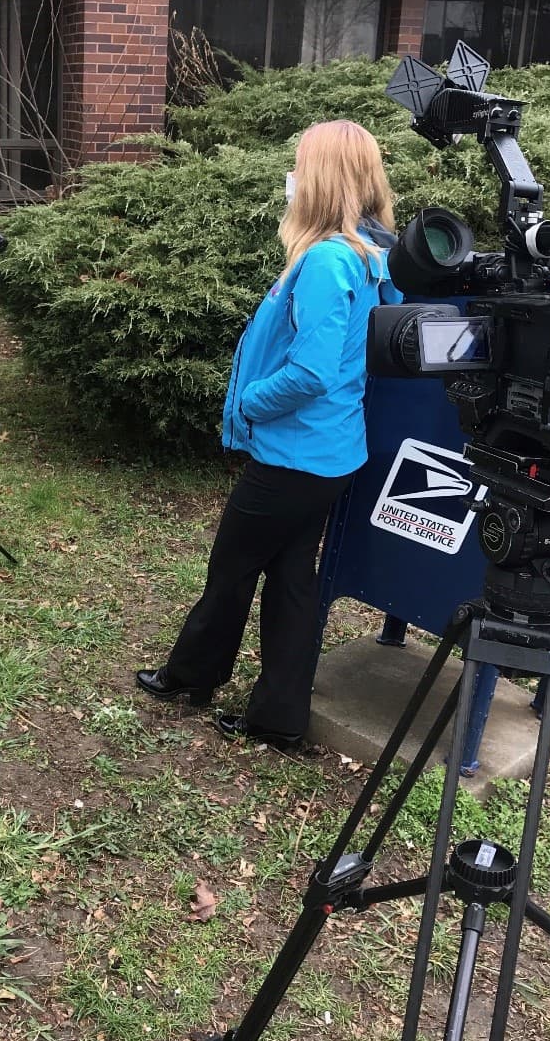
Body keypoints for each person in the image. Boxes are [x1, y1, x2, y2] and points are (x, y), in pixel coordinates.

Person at [135, 119, 402, 755]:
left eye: (300, 165)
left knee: (231, 568)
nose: (293, 177)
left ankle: (190, 677)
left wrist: (249, 402)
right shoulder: (370, 255)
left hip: (296, 454)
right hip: (330, 453)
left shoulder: (328, 260)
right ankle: (278, 718)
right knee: (291, 579)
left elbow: (311, 372)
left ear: (322, 178)